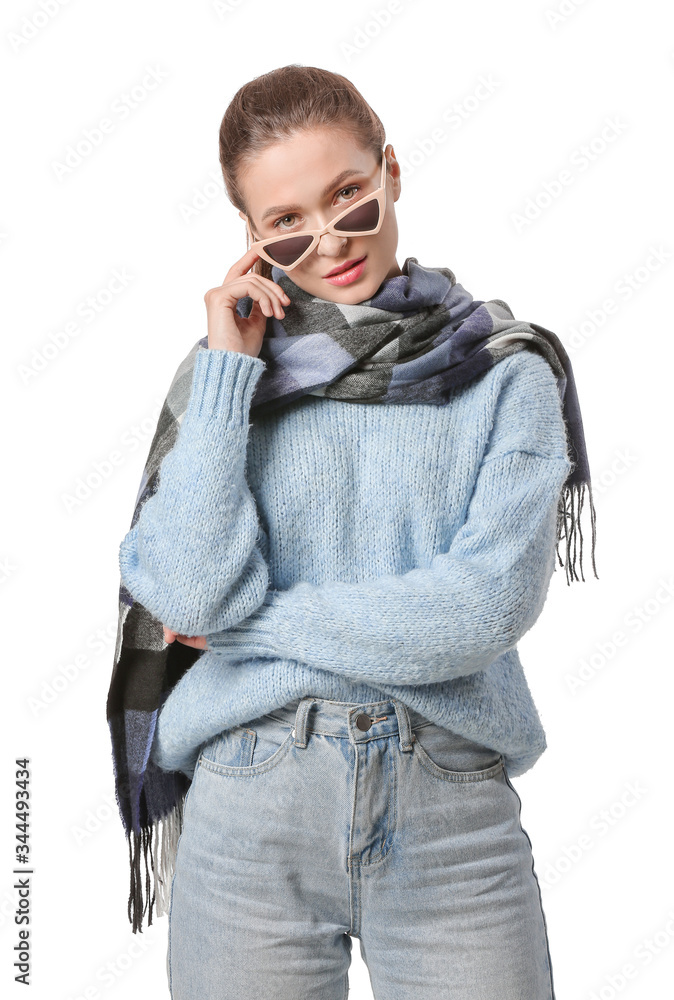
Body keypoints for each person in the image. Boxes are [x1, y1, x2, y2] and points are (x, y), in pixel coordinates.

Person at [108, 64, 597, 999]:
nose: (329, 240)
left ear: (391, 173)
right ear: (250, 239)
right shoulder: (223, 385)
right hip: (248, 818)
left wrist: (250, 631)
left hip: (452, 817)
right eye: (286, 222)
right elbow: (186, 593)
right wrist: (224, 375)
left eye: (349, 198)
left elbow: (480, 610)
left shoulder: (506, 371)